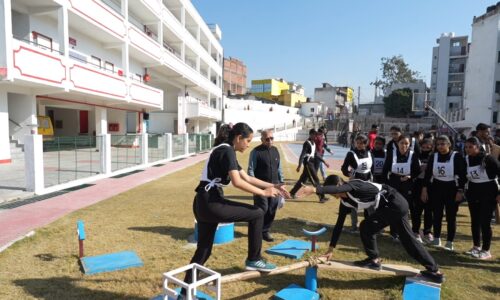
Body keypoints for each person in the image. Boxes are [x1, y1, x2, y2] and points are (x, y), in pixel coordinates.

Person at [183, 123, 290, 291]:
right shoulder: (227, 151)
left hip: (202, 203)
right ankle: (254, 259)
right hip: (211, 202)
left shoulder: (224, 150)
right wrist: (264, 193)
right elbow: (237, 182)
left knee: (204, 250)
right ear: (238, 138)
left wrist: (274, 186)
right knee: (257, 213)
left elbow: (247, 178)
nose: (249, 144)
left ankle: (185, 292)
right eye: (248, 140)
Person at [297, 176, 445, 284]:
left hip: (395, 203)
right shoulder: (345, 201)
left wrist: (315, 189)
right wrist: (330, 249)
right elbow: (339, 225)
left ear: (340, 185)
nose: (336, 196)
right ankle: (434, 271)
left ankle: (374, 259)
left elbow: (339, 188)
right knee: (407, 240)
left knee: (366, 227)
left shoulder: (354, 185)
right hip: (394, 206)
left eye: (335, 192)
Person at [421, 135, 467, 251]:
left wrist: (460, 191)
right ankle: (436, 238)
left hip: (452, 188)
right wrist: (425, 188)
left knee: (451, 217)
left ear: (449, 144)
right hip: (437, 187)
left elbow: (462, 175)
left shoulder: (457, 156)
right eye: (438, 144)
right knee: (437, 215)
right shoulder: (433, 156)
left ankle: (450, 242)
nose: (440, 147)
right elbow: (428, 174)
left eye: (443, 144)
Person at [464, 137, 499, 260]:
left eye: (471, 147)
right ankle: (476, 246)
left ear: (478, 147)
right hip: (473, 191)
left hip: (488, 191)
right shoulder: (467, 159)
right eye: (466, 147)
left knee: (485, 221)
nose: (468, 149)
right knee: (475, 221)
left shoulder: (488, 158)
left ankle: (486, 250)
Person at [248, 130, 285, 242]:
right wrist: (254, 187)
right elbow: (250, 170)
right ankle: (257, 231)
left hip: (275, 186)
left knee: (272, 209)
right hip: (261, 188)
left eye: (271, 138)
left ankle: (265, 231)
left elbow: (279, 168)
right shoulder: (255, 152)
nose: (270, 141)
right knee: (262, 209)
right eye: (267, 139)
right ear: (262, 139)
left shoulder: (275, 150)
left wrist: (281, 183)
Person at [382, 135, 421, 242]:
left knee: (406, 209)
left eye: (406, 143)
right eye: (402, 143)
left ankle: (408, 232)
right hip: (394, 184)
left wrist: (410, 176)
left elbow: (417, 171)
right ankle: (394, 233)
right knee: (394, 208)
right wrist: (386, 185)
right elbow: (385, 170)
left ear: (409, 145)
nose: (404, 145)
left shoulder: (413, 155)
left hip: (407, 184)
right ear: (397, 143)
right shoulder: (391, 154)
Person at [341, 134, 373, 231]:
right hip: (355, 183)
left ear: (366, 143)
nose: (359, 145)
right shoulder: (351, 154)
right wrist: (348, 174)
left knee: (370, 205)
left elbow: (373, 168)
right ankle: (354, 225)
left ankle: (372, 225)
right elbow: (344, 168)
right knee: (353, 204)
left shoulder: (370, 153)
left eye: (361, 143)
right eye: (357, 143)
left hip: (368, 182)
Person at [290, 129, 330, 202]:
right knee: (316, 180)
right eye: (315, 135)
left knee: (303, 180)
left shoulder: (313, 143)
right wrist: (299, 165)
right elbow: (302, 154)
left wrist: (324, 161)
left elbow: (316, 154)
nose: (316, 136)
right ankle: (322, 197)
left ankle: (292, 193)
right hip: (308, 163)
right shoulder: (307, 143)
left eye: (316, 135)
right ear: (310, 135)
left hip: (311, 162)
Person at [412, 138, 434, 244]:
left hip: (431, 184)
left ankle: (427, 231)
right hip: (418, 184)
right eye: (423, 146)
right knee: (417, 209)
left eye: (428, 146)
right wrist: (418, 169)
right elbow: (412, 169)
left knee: (429, 209)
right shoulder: (416, 156)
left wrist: (429, 168)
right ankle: (415, 230)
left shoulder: (434, 156)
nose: (425, 148)